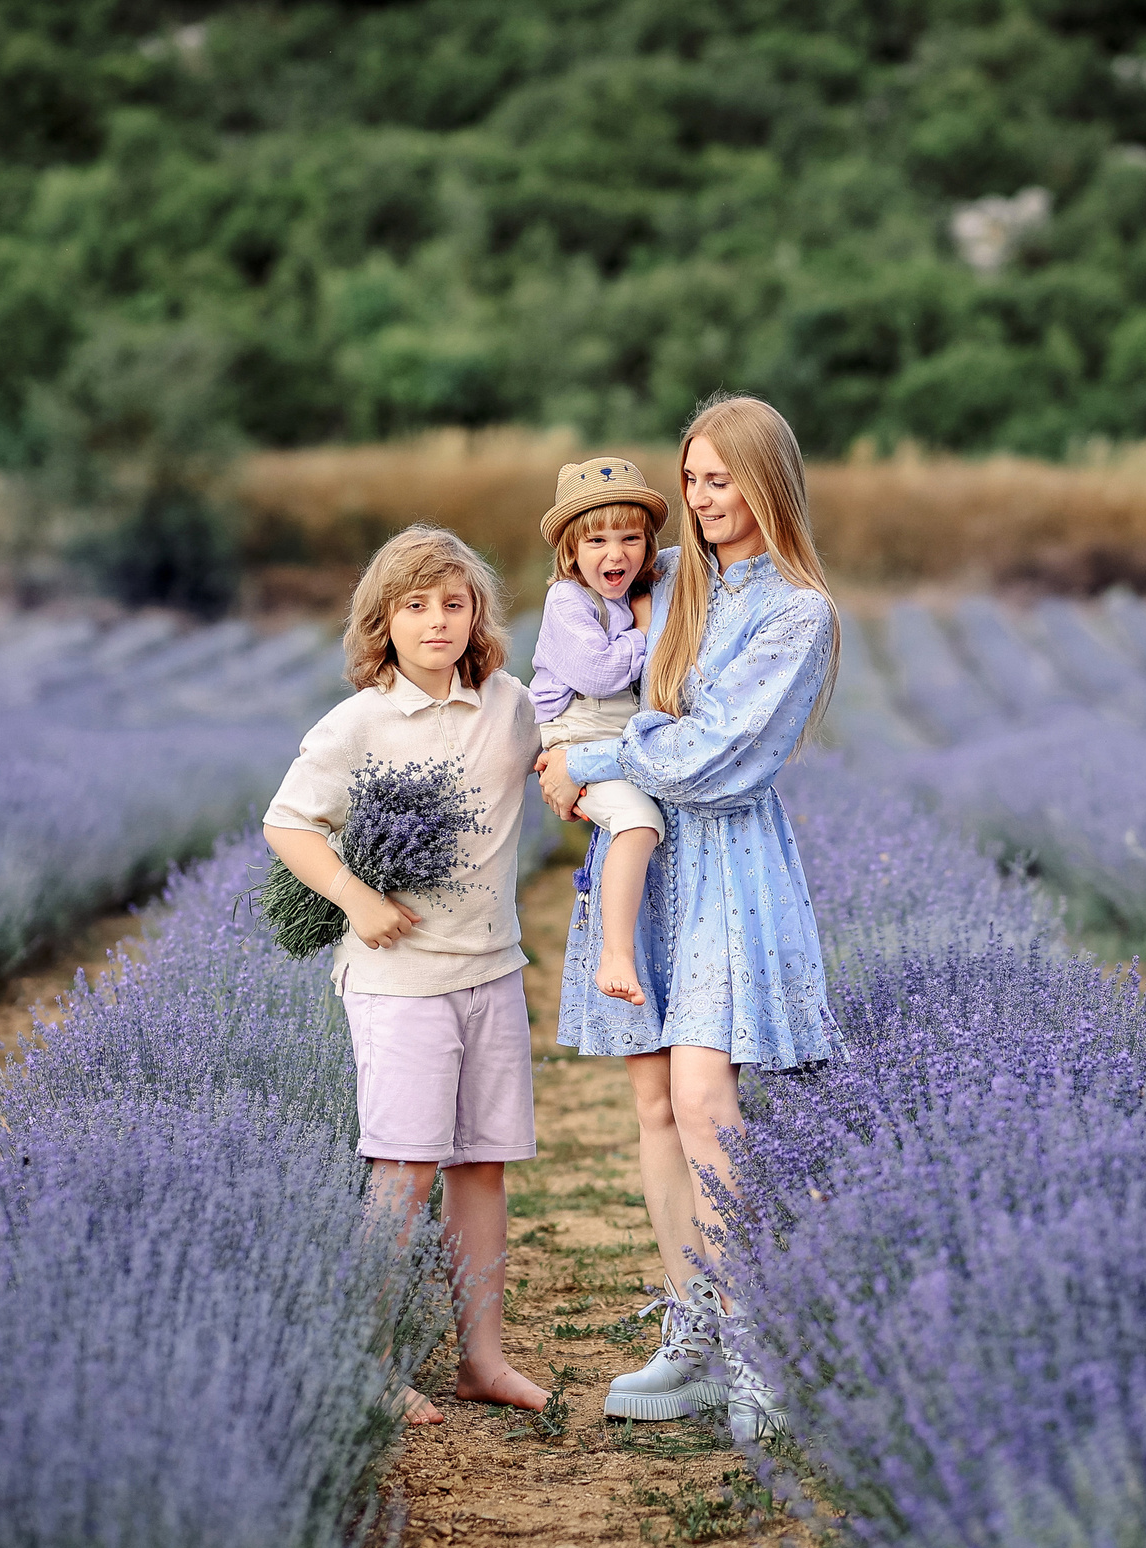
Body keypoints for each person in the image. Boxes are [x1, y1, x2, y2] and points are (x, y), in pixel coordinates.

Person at [536, 394, 840, 1442]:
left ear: (767, 484)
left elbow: (721, 755)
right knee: (656, 1106)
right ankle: (694, 1338)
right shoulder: (669, 584)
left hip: (730, 861)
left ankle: (761, 1346)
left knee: (708, 1095)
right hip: (647, 858)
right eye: (696, 480)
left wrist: (592, 761)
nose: (706, 500)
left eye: (723, 479)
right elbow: (576, 634)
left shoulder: (798, 612)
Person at [264, 524, 550, 1424]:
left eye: (454, 604)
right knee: (405, 1171)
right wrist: (355, 897)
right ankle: (366, 1361)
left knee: (482, 1169)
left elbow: (570, 748)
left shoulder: (509, 703)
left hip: (492, 971)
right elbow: (288, 824)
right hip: (400, 982)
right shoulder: (359, 721)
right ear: (381, 622)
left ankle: (483, 1359)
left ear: (478, 617)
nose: (437, 620)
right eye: (415, 605)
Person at [526, 455, 671, 1006]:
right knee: (637, 823)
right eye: (597, 542)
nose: (616, 554)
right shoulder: (568, 600)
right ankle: (616, 953)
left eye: (631, 537)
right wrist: (641, 631)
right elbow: (600, 671)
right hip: (580, 733)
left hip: (618, 734)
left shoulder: (631, 594)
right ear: (570, 552)